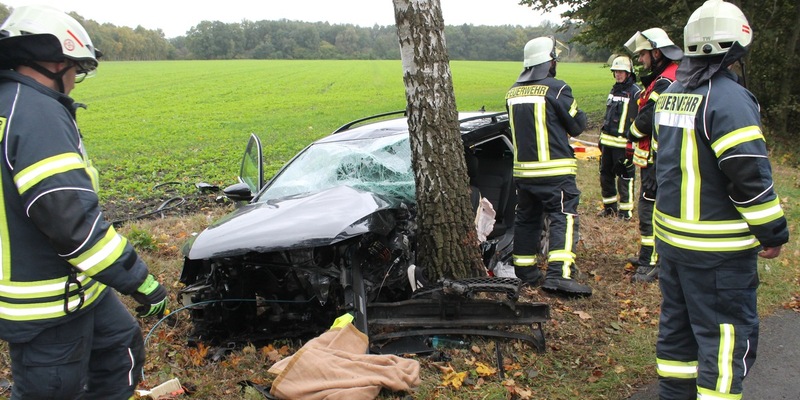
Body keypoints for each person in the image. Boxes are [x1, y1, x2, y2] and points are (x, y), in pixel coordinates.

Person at [0, 5, 168, 399]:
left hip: (79, 287)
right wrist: (142, 282)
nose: (75, 80)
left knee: (120, 347)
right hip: (48, 303)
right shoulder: (35, 114)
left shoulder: (12, 104)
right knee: (55, 390)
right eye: (75, 68)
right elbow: (74, 225)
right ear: (54, 62)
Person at [652, 1, 789, 398]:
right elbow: (748, 175)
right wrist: (772, 233)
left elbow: (663, 164)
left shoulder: (672, 93)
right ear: (737, 47)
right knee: (725, 341)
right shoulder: (730, 100)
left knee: (678, 335)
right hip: (718, 251)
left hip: (674, 244)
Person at [506, 36, 591, 297]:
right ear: (548, 62)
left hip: (524, 173)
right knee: (562, 217)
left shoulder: (512, 93)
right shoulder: (557, 89)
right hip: (555, 172)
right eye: (554, 59)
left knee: (527, 218)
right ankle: (559, 276)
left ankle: (525, 272)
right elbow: (578, 125)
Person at [623, 27, 683, 282]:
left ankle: (652, 261)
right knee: (649, 205)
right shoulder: (668, 76)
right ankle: (648, 254)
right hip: (656, 158)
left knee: (651, 208)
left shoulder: (666, 81)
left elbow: (647, 119)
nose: (640, 60)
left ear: (656, 52)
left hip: (660, 158)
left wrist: (632, 132)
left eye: (643, 55)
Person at [597, 55, 641, 220]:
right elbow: (608, 117)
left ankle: (625, 212)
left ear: (629, 73)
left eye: (621, 72)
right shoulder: (613, 90)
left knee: (625, 177)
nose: (618, 75)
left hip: (624, 145)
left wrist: (632, 143)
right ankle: (609, 208)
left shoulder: (636, 93)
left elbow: (639, 120)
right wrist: (601, 139)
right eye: (616, 72)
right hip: (607, 143)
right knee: (605, 175)